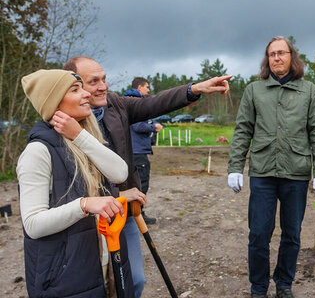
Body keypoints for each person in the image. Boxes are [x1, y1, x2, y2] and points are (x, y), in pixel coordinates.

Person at [63, 56, 231, 298]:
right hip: (87, 223)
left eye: (104, 79)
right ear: (74, 86)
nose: (103, 86)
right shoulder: (62, 122)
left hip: (125, 213)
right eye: (94, 81)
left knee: (135, 283)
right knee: (97, 288)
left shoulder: (115, 105)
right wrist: (117, 194)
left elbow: (154, 104)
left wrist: (195, 89)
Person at [227, 36, 315, 298]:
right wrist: (235, 166)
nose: (276, 58)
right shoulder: (254, 90)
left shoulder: (309, 91)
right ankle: (258, 287)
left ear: (291, 56)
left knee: (292, 233)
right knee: (259, 233)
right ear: (267, 59)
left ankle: (284, 284)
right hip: (263, 172)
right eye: (272, 54)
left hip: (296, 172)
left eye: (281, 53)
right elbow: (243, 131)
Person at [18, 69, 130, 297]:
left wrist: (79, 135)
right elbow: (33, 224)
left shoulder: (84, 138)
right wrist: (84, 205)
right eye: (75, 90)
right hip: (65, 274)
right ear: (54, 101)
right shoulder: (37, 152)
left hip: (102, 259)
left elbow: (120, 173)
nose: (86, 94)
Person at [123, 77, 164, 225]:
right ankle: (137, 214)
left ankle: (133, 213)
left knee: (134, 183)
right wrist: (154, 127)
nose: (148, 90)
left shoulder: (128, 101)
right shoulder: (135, 103)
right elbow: (138, 126)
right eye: (147, 87)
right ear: (139, 88)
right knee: (141, 183)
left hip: (134, 150)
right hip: (137, 151)